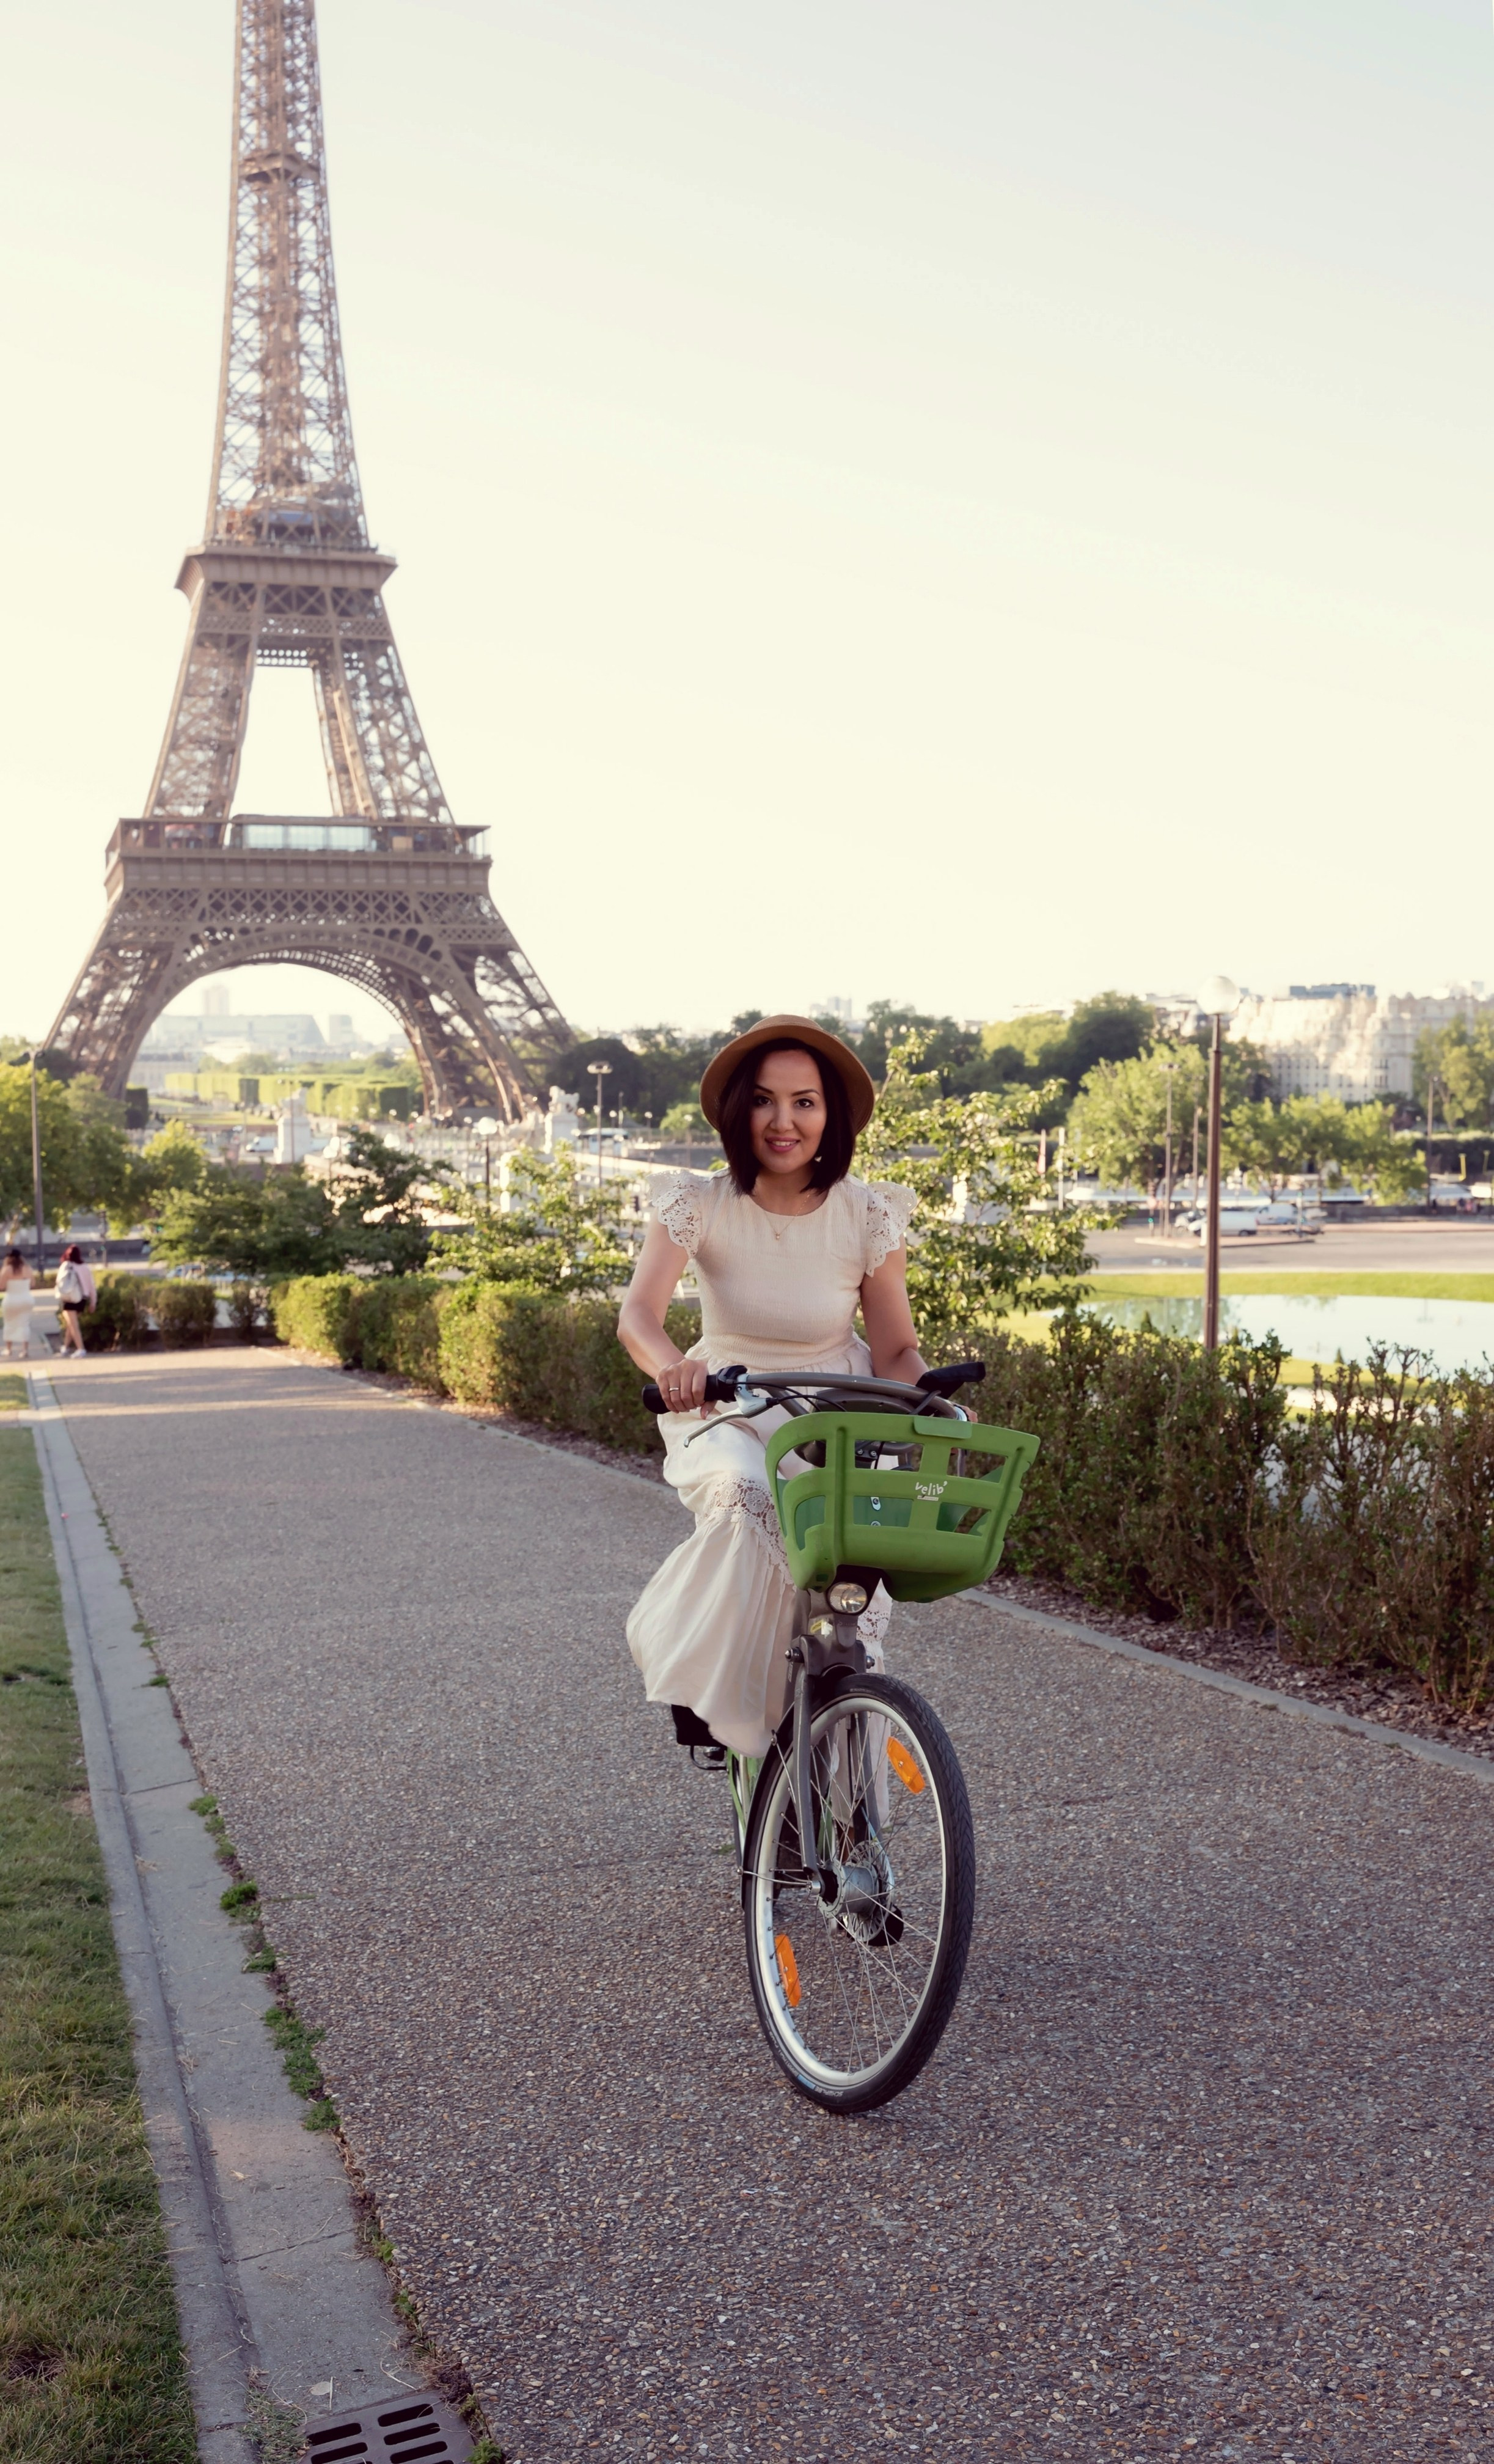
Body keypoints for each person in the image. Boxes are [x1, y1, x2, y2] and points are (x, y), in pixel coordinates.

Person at [618, 1014, 927, 1763]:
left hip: (836, 1416)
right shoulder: (701, 1202)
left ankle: (841, 1777)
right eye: (763, 1101)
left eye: (804, 1102)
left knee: (846, 1595)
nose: (783, 1121)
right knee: (744, 1492)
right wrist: (674, 1368)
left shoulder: (869, 1213)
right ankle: (712, 1691)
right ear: (737, 1111)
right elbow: (638, 1317)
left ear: (831, 1115)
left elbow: (896, 1349)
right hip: (728, 1407)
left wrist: (929, 1401)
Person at [54, 1244, 97, 1358]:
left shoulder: (66, 1265)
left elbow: (59, 1281)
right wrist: (93, 1301)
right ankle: (65, 1347)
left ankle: (81, 1349)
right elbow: (91, 1286)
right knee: (71, 1324)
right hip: (82, 1299)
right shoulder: (85, 1267)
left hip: (69, 1298)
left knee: (73, 1325)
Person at [1, 1248, 35, 1360]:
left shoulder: (7, 1269)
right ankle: (25, 1350)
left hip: (11, 1299)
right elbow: (33, 1284)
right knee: (25, 1324)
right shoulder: (28, 1268)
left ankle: (9, 1349)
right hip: (26, 1299)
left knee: (9, 1323)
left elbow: (1, 1286)